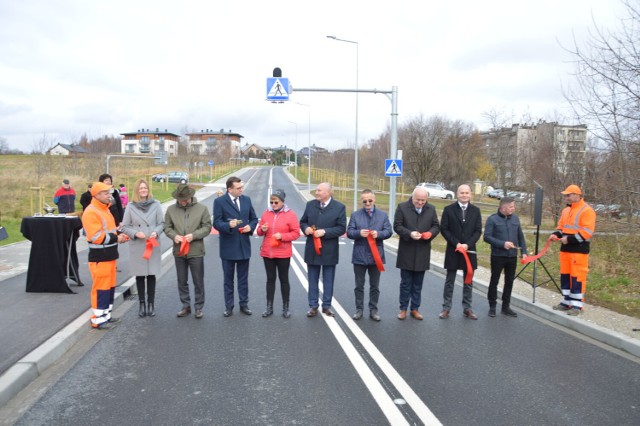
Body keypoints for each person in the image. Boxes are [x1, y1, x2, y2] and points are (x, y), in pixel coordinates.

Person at [82, 181, 128, 329]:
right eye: (106, 193)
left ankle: (106, 316)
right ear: (97, 195)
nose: (109, 195)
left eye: (109, 192)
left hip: (109, 255)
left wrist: (120, 234)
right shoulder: (91, 211)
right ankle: (97, 319)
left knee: (109, 287)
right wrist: (117, 238)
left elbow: (111, 230)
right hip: (100, 257)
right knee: (101, 288)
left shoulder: (105, 209)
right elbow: (96, 237)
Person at [164, 184, 212, 319]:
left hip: (196, 250)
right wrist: (174, 236)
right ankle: (185, 305)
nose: (183, 202)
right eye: (180, 199)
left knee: (198, 280)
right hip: (179, 251)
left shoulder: (202, 209)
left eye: (185, 199)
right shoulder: (171, 209)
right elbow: (167, 227)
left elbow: (207, 227)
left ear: (190, 197)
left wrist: (194, 235)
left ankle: (198, 307)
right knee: (181, 280)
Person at [213, 176, 258, 317]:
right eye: (238, 188)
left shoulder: (246, 200)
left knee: (243, 279)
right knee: (228, 279)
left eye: (241, 187)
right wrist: (228, 225)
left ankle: (244, 304)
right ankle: (229, 306)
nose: (241, 190)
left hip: (243, 246)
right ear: (229, 189)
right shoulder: (219, 202)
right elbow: (216, 223)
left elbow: (254, 218)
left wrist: (250, 227)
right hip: (228, 247)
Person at [393, 186, 440, 320]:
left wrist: (430, 233)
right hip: (407, 250)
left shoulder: (431, 209)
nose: (420, 203)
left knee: (418, 283)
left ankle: (415, 308)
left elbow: (436, 226)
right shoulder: (402, 207)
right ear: (412, 197)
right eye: (418, 200)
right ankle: (403, 309)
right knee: (406, 283)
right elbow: (397, 226)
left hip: (422, 251)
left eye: (423, 200)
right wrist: (409, 233)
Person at [300, 182, 346, 318]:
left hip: (329, 250)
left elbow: (341, 228)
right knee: (312, 279)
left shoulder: (339, 207)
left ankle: (326, 306)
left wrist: (325, 232)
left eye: (319, 190)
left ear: (328, 192)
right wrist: (306, 228)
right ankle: (313, 306)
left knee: (328, 280)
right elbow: (303, 222)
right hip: (312, 249)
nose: (316, 192)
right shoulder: (310, 205)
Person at [347, 189, 393, 321]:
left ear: (374, 200)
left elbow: (389, 231)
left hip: (376, 256)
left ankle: (373, 310)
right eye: (364, 201)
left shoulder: (382, 215)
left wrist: (378, 234)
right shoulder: (355, 215)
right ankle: (359, 310)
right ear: (361, 201)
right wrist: (358, 233)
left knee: (375, 286)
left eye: (370, 200)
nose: (367, 203)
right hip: (359, 255)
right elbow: (349, 232)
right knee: (359, 286)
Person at [550, 184, 596, 316]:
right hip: (565, 250)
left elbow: (587, 232)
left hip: (579, 250)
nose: (566, 198)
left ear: (577, 195)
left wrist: (568, 239)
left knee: (577, 277)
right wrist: (556, 235)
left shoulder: (587, 210)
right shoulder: (566, 210)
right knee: (565, 276)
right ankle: (566, 302)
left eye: (568, 195)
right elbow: (561, 227)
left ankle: (577, 305)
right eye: (565, 195)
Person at [120, 179, 163, 318]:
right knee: (140, 276)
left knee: (151, 275)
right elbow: (124, 227)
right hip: (138, 244)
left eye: (145, 188)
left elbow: (161, 223)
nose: (143, 190)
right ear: (137, 191)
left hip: (152, 243)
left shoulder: (156, 204)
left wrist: (156, 232)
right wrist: (135, 233)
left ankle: (151, 304)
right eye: (141, 188)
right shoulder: (130, 206)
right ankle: (142, 304)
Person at [439, 184, 483, 320]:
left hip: (469, 251)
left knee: (468, 281)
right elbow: (444, 229)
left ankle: (467, 308)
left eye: (467, 193)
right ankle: (446, 308)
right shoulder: (448, 210)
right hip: (453, 250)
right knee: (449, 281)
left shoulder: (476, 211)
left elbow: (477, 231)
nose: (464, 195)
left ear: (470, 194)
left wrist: (467, 245)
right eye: (462, 193)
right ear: (457, 194)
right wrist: (456, 243)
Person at [256, 189, 300, 318]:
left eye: (276, 202)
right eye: (271, 202)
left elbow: (296, 233)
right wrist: (262, 229)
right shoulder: (266, 213)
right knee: (270, 280)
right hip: (268, 252)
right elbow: (259, 231)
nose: (273, 204)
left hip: (283, 253)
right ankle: (269, 307)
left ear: (282, 202)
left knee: (284, 279)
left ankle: (285, 307)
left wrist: (283, 236)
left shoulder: (290, 215)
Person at [483, 196, 528, 318]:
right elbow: (486, 237)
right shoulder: (493, 219)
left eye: (514, 206)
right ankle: (492, 306)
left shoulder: (515, 219)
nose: (514, 208)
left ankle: (505, 307)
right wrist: (503, 244)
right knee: (494, 280)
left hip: (512, 257)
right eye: (511, 207)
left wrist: (524, 251)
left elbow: (520, 236)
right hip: (498, 256)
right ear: (503, 208)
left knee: (509, 282)